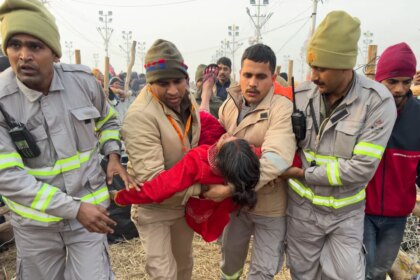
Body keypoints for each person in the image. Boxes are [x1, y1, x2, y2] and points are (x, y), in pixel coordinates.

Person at [0, 0, 134, 279]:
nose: (23, 55)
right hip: (35, 225)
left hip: (89, 217)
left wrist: (112, 156)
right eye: (15, 46)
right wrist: (73, 209)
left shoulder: (83, 82)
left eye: (35, 47)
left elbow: (107, 120)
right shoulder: (2, 101)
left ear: (55, 53)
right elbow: (8, 177)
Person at [281, 11, 397, 280]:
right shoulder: (300, 97)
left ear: (345, 66)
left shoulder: (376, 103)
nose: (313, 75)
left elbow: (361, 169)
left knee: (346, 275)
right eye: (312, 67)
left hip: (345, 215)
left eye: (321, 68)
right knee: (301, 274)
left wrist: (303, 174)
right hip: (302, 212)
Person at [203, 44, 296, 279]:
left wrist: (231, 187)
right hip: (235, 207)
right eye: (248, 75)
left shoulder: (282, 109)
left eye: (261, 76)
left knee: (263, 271)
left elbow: (275, 158)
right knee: (230, 263)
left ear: (273, 78)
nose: (253, 83)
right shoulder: (229, 105)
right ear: (240, 75)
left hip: (270, 205)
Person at [121, 39, 202, 280]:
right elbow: (154, 183)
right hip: (154, 209)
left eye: (178, 81)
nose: (173, 90)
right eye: (163, 83)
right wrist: (204, 189)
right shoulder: (141, 117)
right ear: (149, 82)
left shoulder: (188, 102)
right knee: (163, 274)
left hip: (181, 204)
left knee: (184, 266)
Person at [363, 42, 420, 280]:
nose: (399, 89)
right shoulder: (363, 111)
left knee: (378, 271)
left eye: (406, 82)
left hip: (397, 215)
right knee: (362, 269)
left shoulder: (417, 116)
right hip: (362, 210)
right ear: (379, 80)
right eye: (392, 81)